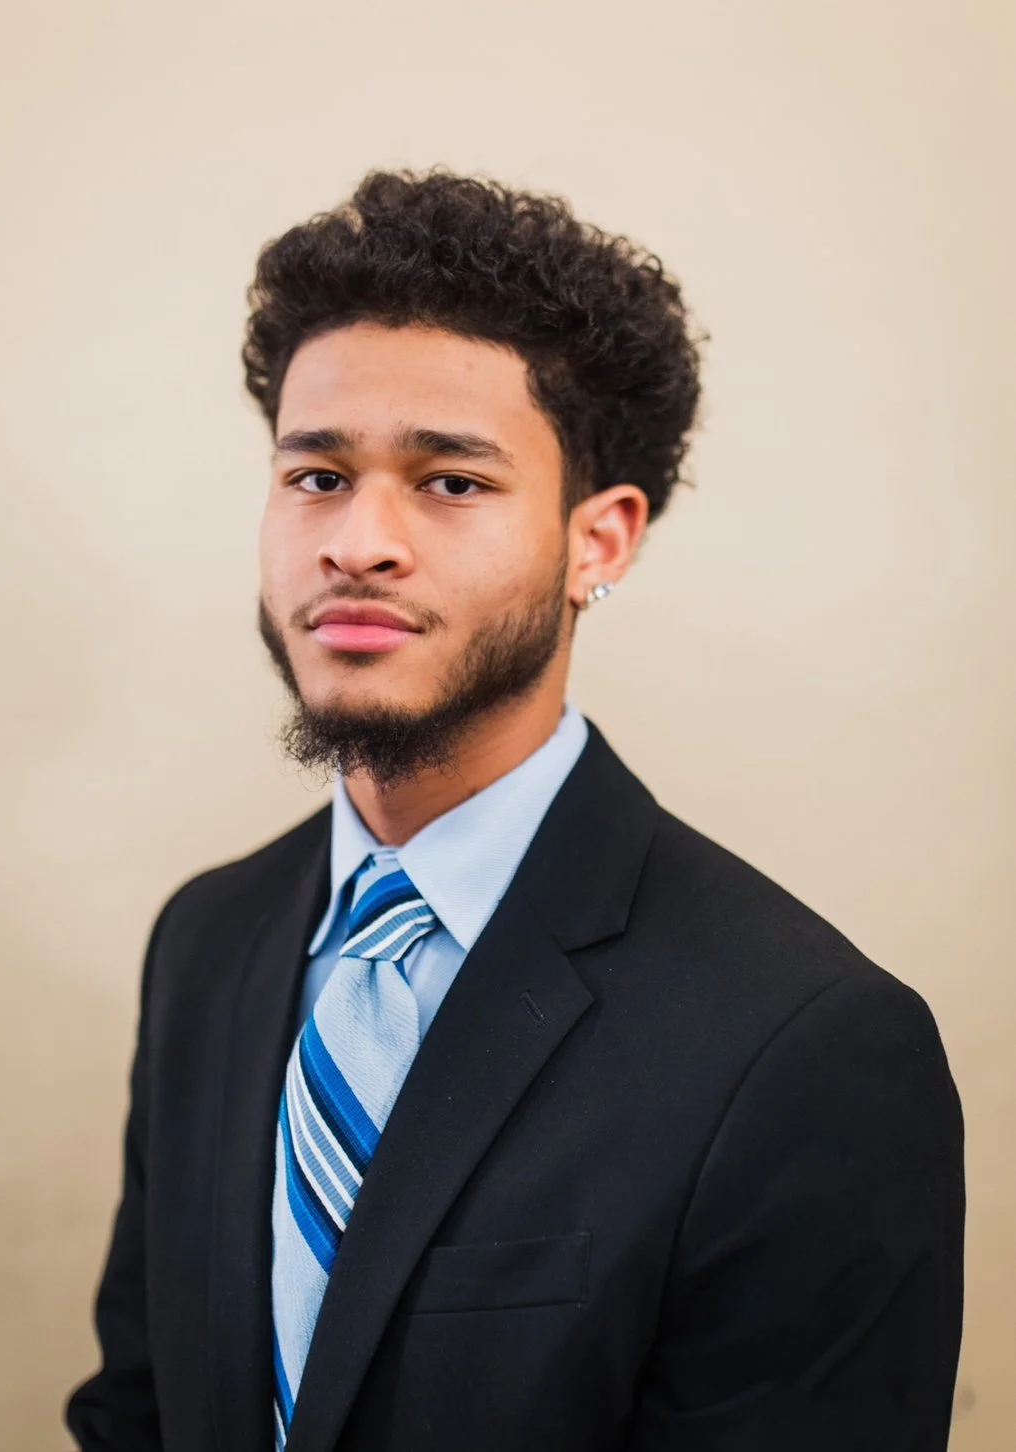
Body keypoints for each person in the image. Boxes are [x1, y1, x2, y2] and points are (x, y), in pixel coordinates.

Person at [64, 169, 964, 1452]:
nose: (358, 541)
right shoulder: (209, 942)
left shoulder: (810, 1045)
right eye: (316, 475)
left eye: (451, 483)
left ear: (599, 541)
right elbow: (141, 1412)